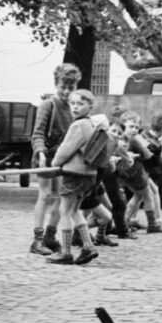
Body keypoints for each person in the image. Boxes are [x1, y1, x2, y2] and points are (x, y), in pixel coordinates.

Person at [29, 63, 81, 255]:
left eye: (71, 88)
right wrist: (41, 152)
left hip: (62, 159)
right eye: (63, 87)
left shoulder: (74, 108)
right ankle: (37, 240)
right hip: (46, 156)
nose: (66, 92)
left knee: (62, 197)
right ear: (56, 85)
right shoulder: (47, 105)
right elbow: (38, 134)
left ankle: (50, 236)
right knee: (45, 195)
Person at [48, 89, 102, 265]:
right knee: (74, 211)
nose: (75, 107)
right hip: (88, 174)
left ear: (90, 106)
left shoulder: (78, 125)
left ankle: (65, 252)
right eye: (72, 104)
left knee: (65, 211)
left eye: (80, 104)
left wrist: (54, 164)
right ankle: (88, 246)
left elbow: (66, 149)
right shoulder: (91, 124)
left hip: (75, 174)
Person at [120, 111, 162, 233]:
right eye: (131, 126)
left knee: (140, 194)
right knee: (147, 195)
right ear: (123, 125)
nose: (134, 130)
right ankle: (152, 224)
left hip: (127, 172)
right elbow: (147, 155)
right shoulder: (134, 139)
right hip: (136, 172)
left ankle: (126, 222)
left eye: (136, 127)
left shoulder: (121, 137)